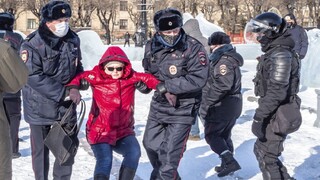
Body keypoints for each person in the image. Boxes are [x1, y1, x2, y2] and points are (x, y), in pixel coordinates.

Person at [137, 8, 209, 179]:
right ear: (158, 31)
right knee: (150, 145)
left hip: (183, 108)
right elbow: (150, 73)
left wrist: (168, 86)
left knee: (169, 158)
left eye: (175, 30)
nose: (172, 34)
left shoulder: (192, 47)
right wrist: (144, 84)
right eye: (167, 31)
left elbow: (198, 78)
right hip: (159, 106)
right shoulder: (151, 46)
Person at [68, 46, 159, 180]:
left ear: (124, 67)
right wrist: (74, 88)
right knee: (105, 159)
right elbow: (77, 77)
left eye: (119, 68)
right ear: (104, 67)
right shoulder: (96, 76)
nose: (115, 71)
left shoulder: (130, 76)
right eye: (111, 68)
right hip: (100, 130)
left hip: (124, 131)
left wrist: (164, 87)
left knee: (134, 152)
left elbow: (148, 79)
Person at [20, 1, 84, 179]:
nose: (64, 23)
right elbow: (32, 76)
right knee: (40, 156)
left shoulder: (73, 39)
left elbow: (77, 66)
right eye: (58, 20)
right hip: (38, 107)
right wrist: (63, 92)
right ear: (47, 21)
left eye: (66, 19)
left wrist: (77, 83)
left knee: (66, 153)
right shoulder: (32, 44)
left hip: (66, 108)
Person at [245, 12, 300, 179]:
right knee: (263, 151)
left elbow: (277, 91)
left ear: (270, 32)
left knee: (267, 156)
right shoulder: (276, 51)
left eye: (260, 33)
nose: (257, 37)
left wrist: (259, 117)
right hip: (275, 109)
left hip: (279, 111)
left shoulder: (280, 54)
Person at [198, 32, 243, 177]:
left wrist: (208, 101)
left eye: (212, 46)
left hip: (223, 104)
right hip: (231, 103)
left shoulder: (224, 60)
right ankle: (227, 164)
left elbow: (223, 85)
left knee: (212, 135)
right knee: (224, 135)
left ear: (216, 45)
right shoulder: (229, 58)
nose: (211, 49)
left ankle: (229, 161)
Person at [0, 16, 28, 180]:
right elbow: (18, 79)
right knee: (14, 118)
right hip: (11, 95)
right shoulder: (11, 42)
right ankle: (14, 149)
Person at [183, 18, 210, 141]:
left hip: (193, 79)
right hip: (207, 79)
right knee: (203, 107)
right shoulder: (206, 41)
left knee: (193, 106)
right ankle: (211, 129)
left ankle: (194, 133)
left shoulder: (189, 44)